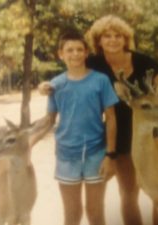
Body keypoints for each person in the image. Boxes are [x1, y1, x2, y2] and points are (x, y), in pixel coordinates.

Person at [40, 15, 158, 225]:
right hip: (118, 137)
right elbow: (70, 72)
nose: (113, 40)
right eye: (107, 36)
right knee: (129, 194)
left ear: (126, 39)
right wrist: (46, 85)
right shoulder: (94, 63)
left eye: (118, 36)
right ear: (98, 41)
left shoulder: (143, 62)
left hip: (149, 134)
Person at [44, 30, 119, 225]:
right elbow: (49, 121)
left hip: (96, 154)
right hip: (66, 156)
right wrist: (27, 142)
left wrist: (110, 155)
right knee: (72, 214)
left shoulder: (100, 80)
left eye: (79, 49)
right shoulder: (55, 85)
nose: (75, 54)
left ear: (86, 53)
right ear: (60, 54)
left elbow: (111, 118)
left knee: (95, 213)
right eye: (69, 50)